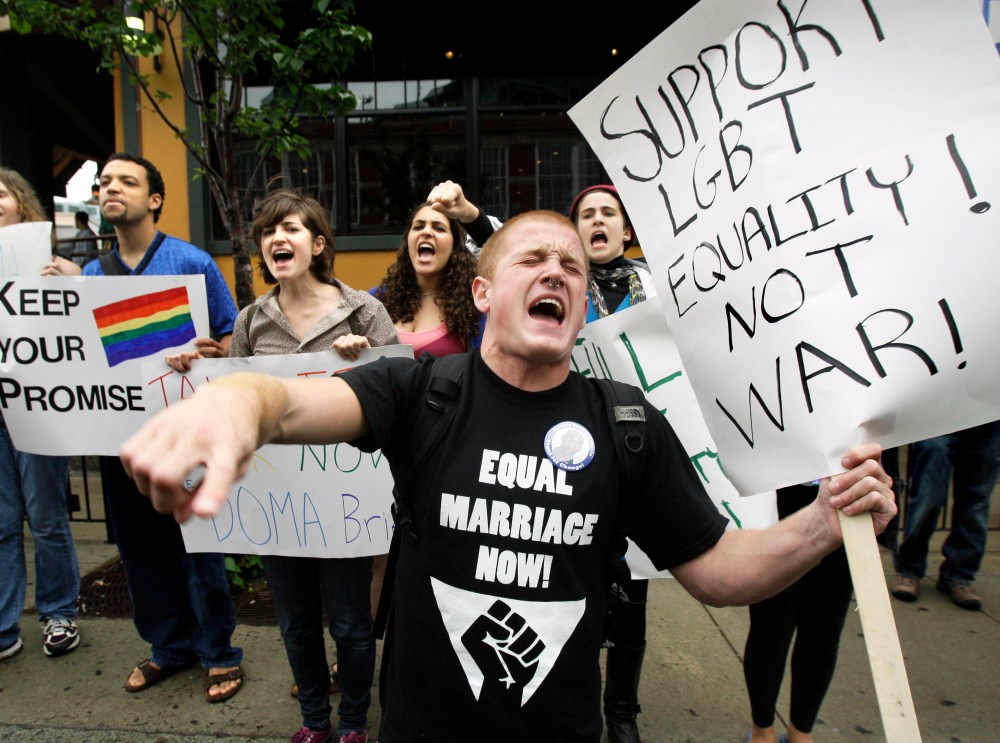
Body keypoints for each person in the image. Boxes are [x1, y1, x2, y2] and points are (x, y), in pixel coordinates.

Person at [120, 210, 896, 743]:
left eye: (572, 266)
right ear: (485, 292)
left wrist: (828, 519)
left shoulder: (626, 425)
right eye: (533, 258)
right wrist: (232, 403)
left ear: (584, 303)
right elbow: (289, 402)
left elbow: (724, 569)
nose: (557, 270)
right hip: (420, 727)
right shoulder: (420, 391)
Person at [224, 189, 397, 743]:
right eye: (270, 231)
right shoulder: (252, 321)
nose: (279, 238)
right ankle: (314, 723)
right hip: (279, 504)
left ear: (317, 243)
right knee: (296, 624)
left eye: (292, 228)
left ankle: (352, 725)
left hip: (343, 503)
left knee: (350, 625)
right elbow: (233, 399)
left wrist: (367, 355)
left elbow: (398, 392)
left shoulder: (365, 311)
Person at [79, 153, 245, 701]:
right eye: (105, 182)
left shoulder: (191, 263)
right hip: (118, 438)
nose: (111, 188)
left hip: (184, 434)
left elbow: (229, 339)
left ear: (154, 199)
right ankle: (169, 649)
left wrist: (202, 353)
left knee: (197, 544)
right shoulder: (89, 276)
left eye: (127, 181)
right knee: (140, 549)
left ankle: (219, 652)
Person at [568, 183, 655, 743]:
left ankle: (621, 711)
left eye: (609, 214)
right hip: (577, 459)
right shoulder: (562, 284)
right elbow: (498, 243)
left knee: (634, 595)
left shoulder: (659, 286)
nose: (597, 221)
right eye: (586, 215)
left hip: (641, 458)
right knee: (575, 586)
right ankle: (573, 705)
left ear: (626, 230)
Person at [0, 167, 81, 662]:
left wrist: (69, 280)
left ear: (20, 203)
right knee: (2, 521)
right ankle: (5, 623)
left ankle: (57, 613)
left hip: (35, 406)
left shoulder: (48, 263)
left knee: (47, 517)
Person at [741, 483, 852, 743]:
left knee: (825, 627)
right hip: (780, 490)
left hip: (844, 493)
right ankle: (762, 731)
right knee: (771, 625)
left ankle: (801, 733)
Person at [891, 421, 1000, 611]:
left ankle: (959, 574)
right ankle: (909, 568)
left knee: (976, 502)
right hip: (941, 414)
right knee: (928, 496)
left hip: (990, 418)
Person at [371, 201, 483, 357]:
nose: (426, 232)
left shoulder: (475, 304)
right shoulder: (377, 298)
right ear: (408, 242)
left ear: (454, 247)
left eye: (439, 228)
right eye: (418, 227)